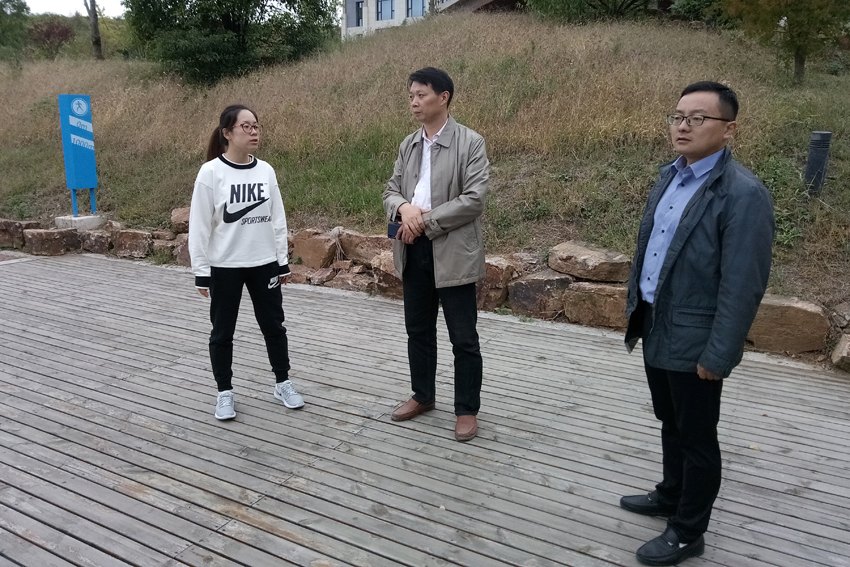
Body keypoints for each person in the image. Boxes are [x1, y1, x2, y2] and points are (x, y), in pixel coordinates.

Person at [620, 82, 775, 565]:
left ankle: (688, 531)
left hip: (697, 336)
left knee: (697, 436)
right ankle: (672, 493)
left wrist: (720, 352)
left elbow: (743, 284)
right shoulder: (670, 176)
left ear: (729, 130)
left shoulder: (743, 194)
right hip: (656, 321)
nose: (683, 126)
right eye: (678, 116)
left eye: (698, 118)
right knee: (670, 420)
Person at [382, 67, 489, 442]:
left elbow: (473, 200)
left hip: (453, 250)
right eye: (411, 95)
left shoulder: (470, 142)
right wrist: (404, 209)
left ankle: (466, 409)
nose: (414, 102)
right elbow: (391, 191)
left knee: (463, 337)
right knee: (418, 330)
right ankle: (423, 395)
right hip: (412, 249)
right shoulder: (408, 144)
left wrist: (423, 221)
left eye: (421, 95)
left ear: (444, 97)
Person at [188, 104, 304, 421]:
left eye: (256, 126)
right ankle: (224, 392)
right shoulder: (210, 173)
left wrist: (281, 261)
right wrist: (201, 272)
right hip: (225, 266)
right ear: (227, 133)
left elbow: (277, 219)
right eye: (246, 126)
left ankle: (283, 383)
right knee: (222, 332)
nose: (254, 132)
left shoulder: (266, 170)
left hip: (263, 263)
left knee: (274, 327)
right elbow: (199, 226)